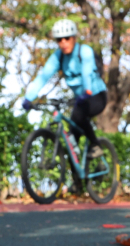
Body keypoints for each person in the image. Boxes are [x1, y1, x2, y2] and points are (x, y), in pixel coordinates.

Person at [22, 19, 107, 157]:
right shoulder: (58, 56)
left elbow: (87, 72)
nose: (63, 43)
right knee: (72, 142)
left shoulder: (84, 51)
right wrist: (28, 98)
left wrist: (87, 91)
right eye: (59, 40)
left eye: (67, 38)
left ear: (74, 38)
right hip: (80, 100)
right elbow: (43, 77)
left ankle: (96, 145)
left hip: (96, 96)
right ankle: (78, 176)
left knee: (79, 113)